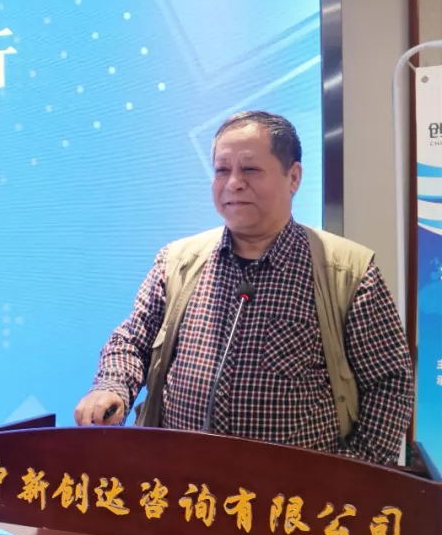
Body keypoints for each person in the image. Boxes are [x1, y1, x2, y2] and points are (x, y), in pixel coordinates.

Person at [73, 111, 413, 467]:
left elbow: (389, 382)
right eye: (222, 170)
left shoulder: (347, 272)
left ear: (293, 177)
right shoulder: (177, 261)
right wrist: (110, 387)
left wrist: (352, 472)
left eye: (250, 169)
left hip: (294, 492)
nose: (233, 183)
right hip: (182, 482)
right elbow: (132, 341)